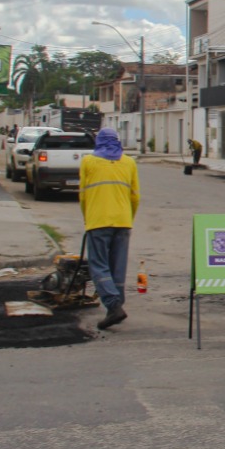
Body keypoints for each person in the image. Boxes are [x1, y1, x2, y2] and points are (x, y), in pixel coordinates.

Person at [79, 128, 140, 330]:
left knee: (99, 265)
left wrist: (88, 218)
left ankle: (113, 307)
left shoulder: (88, 161)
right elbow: (135, 197)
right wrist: (128, 218)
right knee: (118, 266)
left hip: (98, 221)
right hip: (123, 221)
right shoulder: (129, 162)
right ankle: (116, 307)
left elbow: (83, 196)